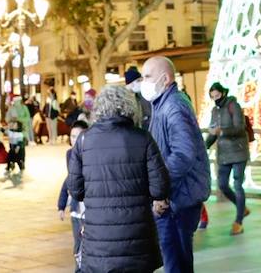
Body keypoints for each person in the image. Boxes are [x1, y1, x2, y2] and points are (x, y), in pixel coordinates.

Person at [66, 85, 170, 273]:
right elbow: (159, 188)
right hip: (137, 236)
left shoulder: (83, 140)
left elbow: (75, 190)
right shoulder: (143, 138)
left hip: (99, 238)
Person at [140, 57, 210, 273]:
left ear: (165, 78)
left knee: (176, 263)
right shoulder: (162, 104)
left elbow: (183, 154)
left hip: (178, 200)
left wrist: (160, 188)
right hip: (176, 198)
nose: (144, 82)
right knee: (176, 261)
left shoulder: (174, 106)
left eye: (147, 76)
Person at [204, 81, 250, 235]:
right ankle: (241, 207)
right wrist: (204, 146)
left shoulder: (233, 106)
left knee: (238, 185)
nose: (215, 99)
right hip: (223, 154)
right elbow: (213, 134)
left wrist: (221, 131)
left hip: (238, 152)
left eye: (217, 95)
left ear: (223, 93)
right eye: (213, 97)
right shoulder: (214, 111)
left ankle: (238, 222)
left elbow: (239, 127)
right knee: (222, 185)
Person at [57, 118, 89, 273]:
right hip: (76, 207)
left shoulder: (92, 153)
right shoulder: (70, 154)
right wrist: (61, 204)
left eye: (79, 136)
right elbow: (69, 178)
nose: (75, 140)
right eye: (72, 136)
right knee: (78, 242)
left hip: (90, 207)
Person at [125, 67, 152, 131]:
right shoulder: (123, 99)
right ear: (131, 84)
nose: (141, 83)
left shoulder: (142, 95)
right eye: (138, 81)